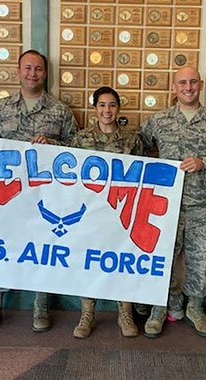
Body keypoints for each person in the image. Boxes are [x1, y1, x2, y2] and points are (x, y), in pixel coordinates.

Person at [0, 49, 78, 334]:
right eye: (28, 68)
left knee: (43, 248)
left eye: (38, 69)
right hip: (7, 196)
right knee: (0, 246)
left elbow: (77, 150)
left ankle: (41, 304)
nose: (33, 74)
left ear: (46, 74)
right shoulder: (0, 109)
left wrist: (53, 144)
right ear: (18, 71)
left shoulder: (60, 111)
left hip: (45, 196)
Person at [139, 66, 206, 338]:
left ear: (201, 85)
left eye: (193, 82)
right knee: (162, 258)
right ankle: (162, 306)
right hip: (165, 206)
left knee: (201, 260)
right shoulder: (159, 120)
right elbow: (137, 148)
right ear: (174, 87)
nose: (188, 87)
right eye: (182, 82)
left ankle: (195, 307)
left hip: (202, 206)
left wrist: (205, 163)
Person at [70, 86, 143, 339]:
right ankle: (87, 313)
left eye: (112, 105)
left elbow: (141, 179)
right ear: (95, 108)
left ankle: (125, 312)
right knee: (89, 261)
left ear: (118, 108)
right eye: (102, 105)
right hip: (90, 213)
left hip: (120, 213)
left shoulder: (131, 140)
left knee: (123, 261)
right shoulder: (81, 139)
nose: (107, 110)